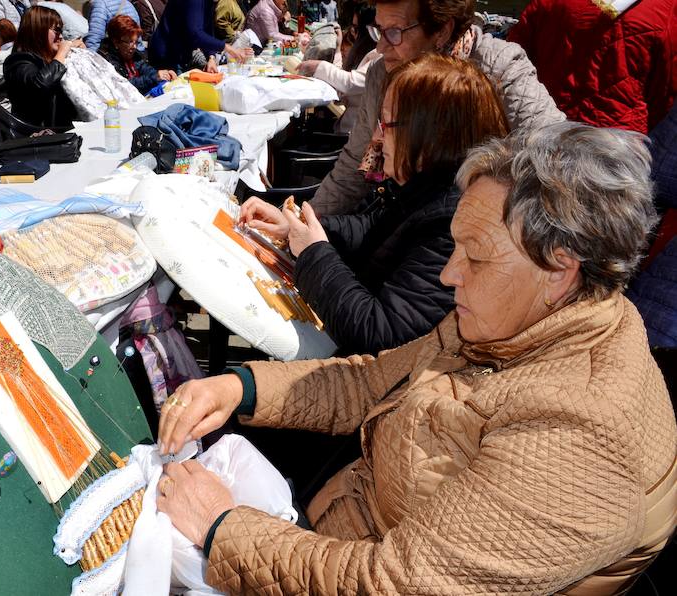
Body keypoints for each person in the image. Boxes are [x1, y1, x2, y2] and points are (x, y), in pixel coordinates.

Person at [156, 121, 676, 594]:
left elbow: (395, 585)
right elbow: (375, 380)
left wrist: (222, 528)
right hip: (333, 527)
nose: (450, 275)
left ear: (559, 268)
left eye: (475, 256)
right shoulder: (520, 318)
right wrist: (240, 388)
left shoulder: (579, 439)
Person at [242, 55, 509, 354]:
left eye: (387, 124)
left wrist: (313, 251)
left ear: (431, 136)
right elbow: (373, 230)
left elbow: (380, 334)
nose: (376, 137)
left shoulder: (454, 221)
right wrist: (298, 227)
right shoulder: (429, 187)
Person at [310, 0, 564, 216]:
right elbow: (355, 163)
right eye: (379, 29)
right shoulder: (382, 72)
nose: (380, 47)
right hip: (400, 224)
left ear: (442, 30)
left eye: (395, 31)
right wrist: (309, 217)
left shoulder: (499, 69)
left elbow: (558, 156)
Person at [507, 0, 677, 134]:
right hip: (617, 138)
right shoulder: (664, 7)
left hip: (545, 120)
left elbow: (514, 55)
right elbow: (665, 89)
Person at [295, 5, 376, 132]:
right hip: (347, 128)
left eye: (356, 28)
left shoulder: (379, 56)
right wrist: (337, 50)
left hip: (352, 134)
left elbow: (350, 83)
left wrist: (319, 66)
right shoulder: (367, 53)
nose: (352, 32)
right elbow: (341, 81)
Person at [3, 6, 78, 127]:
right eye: (57, 30)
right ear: (38, 30)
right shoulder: (17, 61)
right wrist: (62, 53)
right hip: (36, 137)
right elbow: (40, 84)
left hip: (64, 132)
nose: (61, 36)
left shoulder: (51, 60)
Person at [150, 0, 249, 73]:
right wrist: (228, 48)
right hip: (167, 55)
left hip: (181, 53)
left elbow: (207, 29)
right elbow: (194, 33)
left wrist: (211, 57)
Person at [99, 15, 176, 95]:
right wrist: (153, 78)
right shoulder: (106, 61)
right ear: (116, 42)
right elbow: (123, 84)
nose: (134, 46)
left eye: (136, 42)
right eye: (129, 42)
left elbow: (146, 69)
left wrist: (163, 75)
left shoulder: (134, 55)